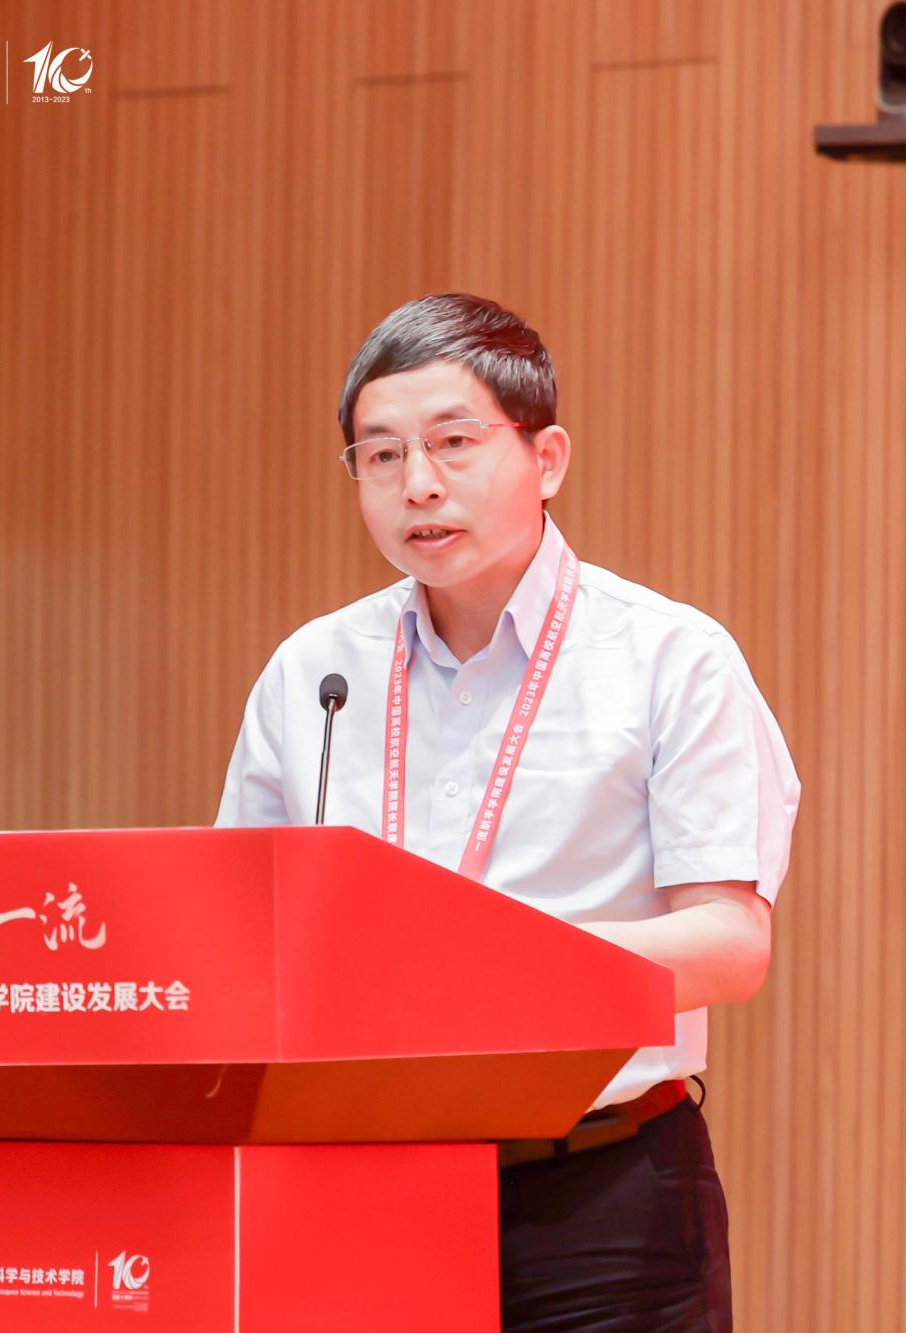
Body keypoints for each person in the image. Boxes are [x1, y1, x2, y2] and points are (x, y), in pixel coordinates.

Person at [214, 292, 801, 1331]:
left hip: (596, 1192)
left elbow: (728, 942)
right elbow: (235, 931)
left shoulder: (668, 659)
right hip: (357, 1183)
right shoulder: (314, 673)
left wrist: (493, 961)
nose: (418, 484)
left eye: (454, 442)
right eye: (381, 455)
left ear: (547, 458)